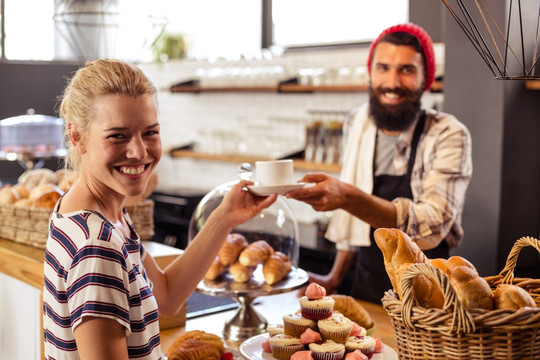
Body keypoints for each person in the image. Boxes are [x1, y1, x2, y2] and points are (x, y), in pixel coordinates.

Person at [42, 59, 277, 359]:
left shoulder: (101, 216)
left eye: (150, 132)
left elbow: (166, 295)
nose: (139, 152)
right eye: (118, 136)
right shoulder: (96, 245)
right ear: (77, 137)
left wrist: (224, 217)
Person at [287, 23, 472, 304]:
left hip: (429, 293)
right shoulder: (357, 123)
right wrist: (334, 278)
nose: (393, 82)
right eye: (383, 68)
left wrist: (348, 197)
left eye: (407, 70)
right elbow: (353, 223)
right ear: (371, 74)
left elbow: (433, 224)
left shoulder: (447, 133)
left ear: (426, 79)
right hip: (367, 286)